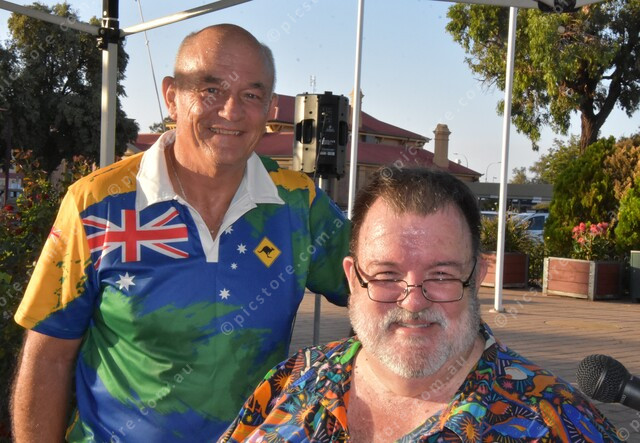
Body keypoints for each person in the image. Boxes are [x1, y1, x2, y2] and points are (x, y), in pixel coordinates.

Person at [11, 24, 350, 442]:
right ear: (172, 97)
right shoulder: (96, 204)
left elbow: (382, 285)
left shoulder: (300, 203)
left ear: (270, 108)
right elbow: (48, 355)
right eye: (211, 90)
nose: (231, 111)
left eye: (251, 95)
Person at [221, 167, 620, 442]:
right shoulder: (293, 381)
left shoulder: (556, 423)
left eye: (441, 275)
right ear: (353, 279)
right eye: (386, 274)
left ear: (477, 276)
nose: (413, 302)